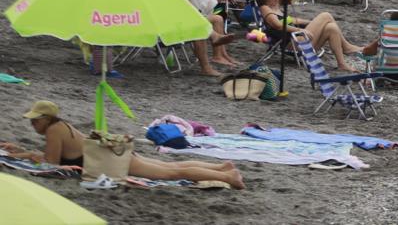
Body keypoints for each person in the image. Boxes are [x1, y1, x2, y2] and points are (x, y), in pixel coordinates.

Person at [2, 101, 244, 188]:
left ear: (46, 119)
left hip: (112, 159)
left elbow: (50, 163)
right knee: (169, 166)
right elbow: (50, 157)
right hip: (112, 151)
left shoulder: (54, 130)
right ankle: (222, 168)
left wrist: (26, 156)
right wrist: (23, 151)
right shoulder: (59, 126)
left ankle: (228, 178)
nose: (33, 125)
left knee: (171, 172)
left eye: (35, 121)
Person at [255, 0, 364, 71]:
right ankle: (347, 47)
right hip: (293, 44)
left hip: (300, 41)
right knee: (325, 15)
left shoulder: (276, 8)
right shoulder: (265, 8)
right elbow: (277, 25)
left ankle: (342, 64)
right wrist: (300, 30)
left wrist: (315, 23)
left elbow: (294, 20)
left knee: (331, 27)